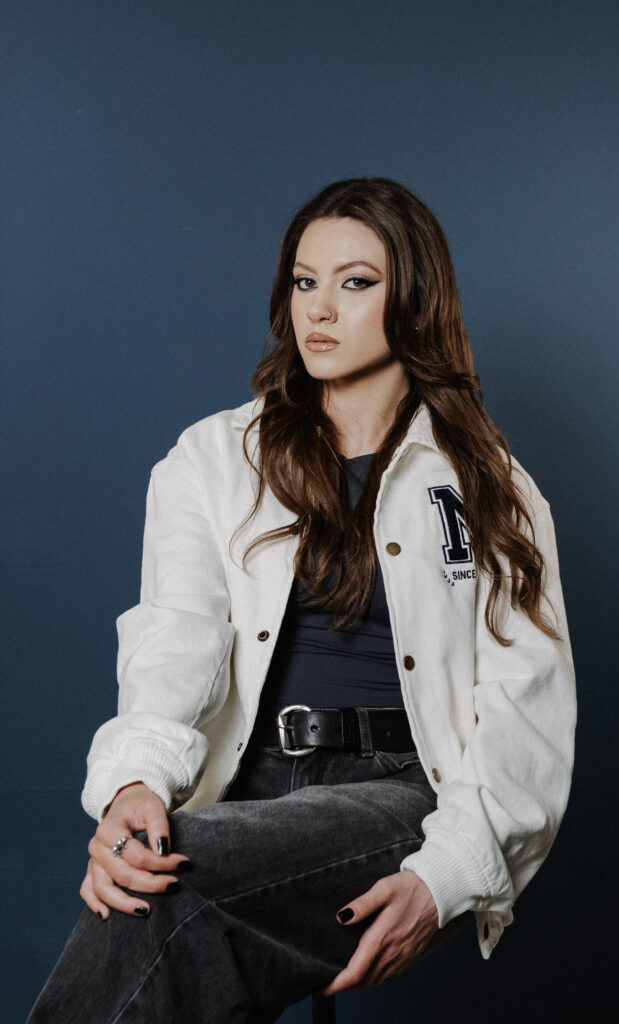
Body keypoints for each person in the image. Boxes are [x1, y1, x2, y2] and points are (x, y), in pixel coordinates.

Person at [28, 177, 576, 1023]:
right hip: (245, 779)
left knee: (183, 876)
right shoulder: (212, 459)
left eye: (355, 283)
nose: (318, 308)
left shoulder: (488, 486)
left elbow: (523, 705)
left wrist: (448, 874)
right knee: (151, 867)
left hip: (400, 790)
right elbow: (174, 638)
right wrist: (135, 783)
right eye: (303, 281)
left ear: (414, 300)